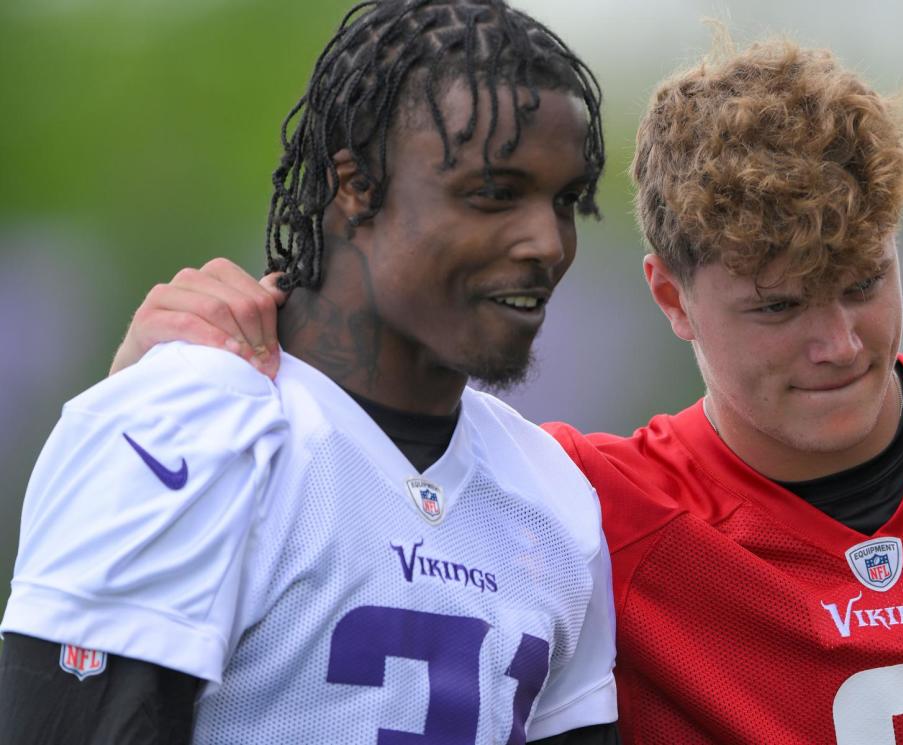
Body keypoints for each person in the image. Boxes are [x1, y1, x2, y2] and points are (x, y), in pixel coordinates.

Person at [92, 35, 903, 743]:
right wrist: (173, 382)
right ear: (670, 297)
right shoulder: (581, 516)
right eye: (779, 307)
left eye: (862, 283)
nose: (839, 343)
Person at [0, 1, 621, 743]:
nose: (547, 243)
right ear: (357, 186)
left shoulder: (553, 494)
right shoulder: (184, 426)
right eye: (495, 193)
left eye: (565, 202)